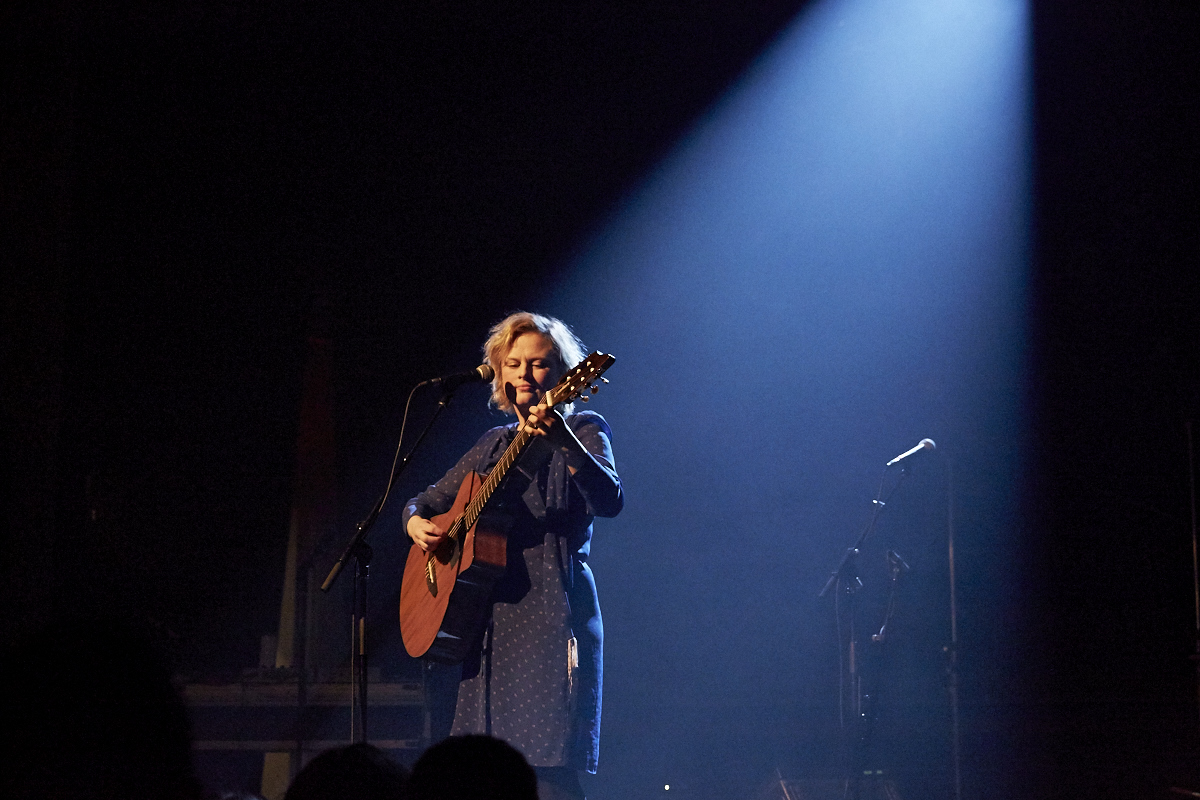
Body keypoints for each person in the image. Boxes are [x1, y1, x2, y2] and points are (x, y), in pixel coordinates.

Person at [403, 312, 623, 800]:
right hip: (484, 629)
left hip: (550, 618)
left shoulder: (585, 427)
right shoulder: (492, 444)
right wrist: (415, 522)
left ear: (565, 373)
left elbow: (609, 501)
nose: (524, 373)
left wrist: (563, 441)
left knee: (547, 777)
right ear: (499, 373)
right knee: (478, 779)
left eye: (539, 364)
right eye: (514, 363)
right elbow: (426, 502)